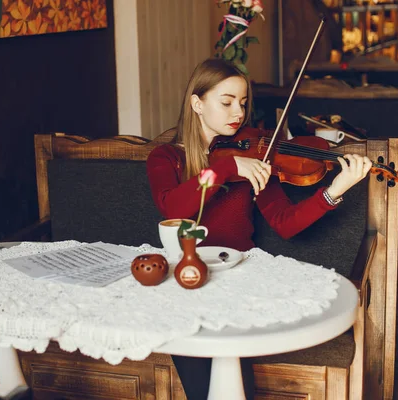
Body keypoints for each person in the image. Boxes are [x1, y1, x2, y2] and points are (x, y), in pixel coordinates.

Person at [146, 58, 372, 399]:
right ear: (197, 103)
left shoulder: (256, 156)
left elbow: (286, 223)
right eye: (226, 102)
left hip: (237, 279)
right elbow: (174, 207)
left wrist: (335, 190)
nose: (238, 111)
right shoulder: (166, 158)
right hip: (187, 278)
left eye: (243, 102)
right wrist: (224, 168)